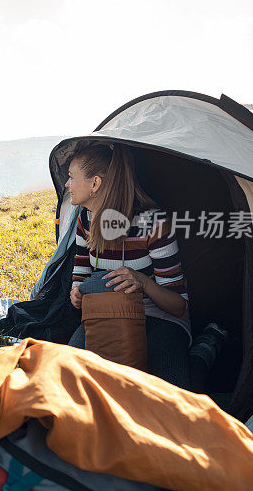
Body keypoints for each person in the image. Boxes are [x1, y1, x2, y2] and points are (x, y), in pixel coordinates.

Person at [65, 144, 191, 388]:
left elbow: (179, 306)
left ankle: (204, 351)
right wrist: (77, 294)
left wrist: (142, 281)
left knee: (168, 395)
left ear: (95, 184)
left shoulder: (153, 222)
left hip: (158, 318)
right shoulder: (84, 219)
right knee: (70, 379)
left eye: (71, 177)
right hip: (106, 315)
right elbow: (80, 275)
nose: (67, 185)